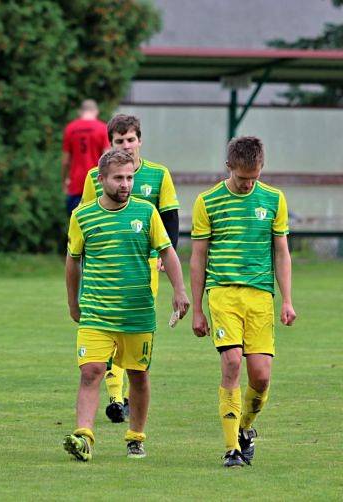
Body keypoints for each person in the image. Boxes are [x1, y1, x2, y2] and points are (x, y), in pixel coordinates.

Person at [63, 150, 189, 462]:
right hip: (96, 311)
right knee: (91, 372)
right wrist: (73, 302)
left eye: (130, 177)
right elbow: (72, 262)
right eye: (119, 178)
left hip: (137, 313)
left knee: (138, 376)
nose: (125, 184)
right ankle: (84, 437)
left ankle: (135, 437)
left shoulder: (146, 213)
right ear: (101, 179)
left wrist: (179, 290)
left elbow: (168, 252)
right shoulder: (82, 216)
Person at [190, 136, 296, 468]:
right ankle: (230, 450)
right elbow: (198, 257)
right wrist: (197, 308)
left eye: (255, 176)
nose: (249, 183)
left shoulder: (274, 199)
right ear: (228, 168)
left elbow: (281, 252)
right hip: (223, 294)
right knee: (232, 362)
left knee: (261, 376)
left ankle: (245, 430)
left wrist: (287, 300)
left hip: (261, 296)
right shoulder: (207, 202)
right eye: (242, 177)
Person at [80, 114, 180, 424]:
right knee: (106, 327)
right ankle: (115, 396)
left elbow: (171, 216)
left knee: (129, 326)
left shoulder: (158, 175)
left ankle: (121, 398)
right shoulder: (94, 177)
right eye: (120, 141)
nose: (127, 145)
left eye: (131, 139)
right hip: (107, 266)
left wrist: (167, 253)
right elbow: (84, 221)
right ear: (110, 143)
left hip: (145, 262)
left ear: (140, 140)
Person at [61, 99, 109, 214]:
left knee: (76, 227)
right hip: (97, 186)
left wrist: (64, 181)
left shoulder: (70, 128)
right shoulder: (103, 128)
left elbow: (65, 161)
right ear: (96, 111)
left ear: (80, 112)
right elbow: (108, 159)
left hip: (75, 186)